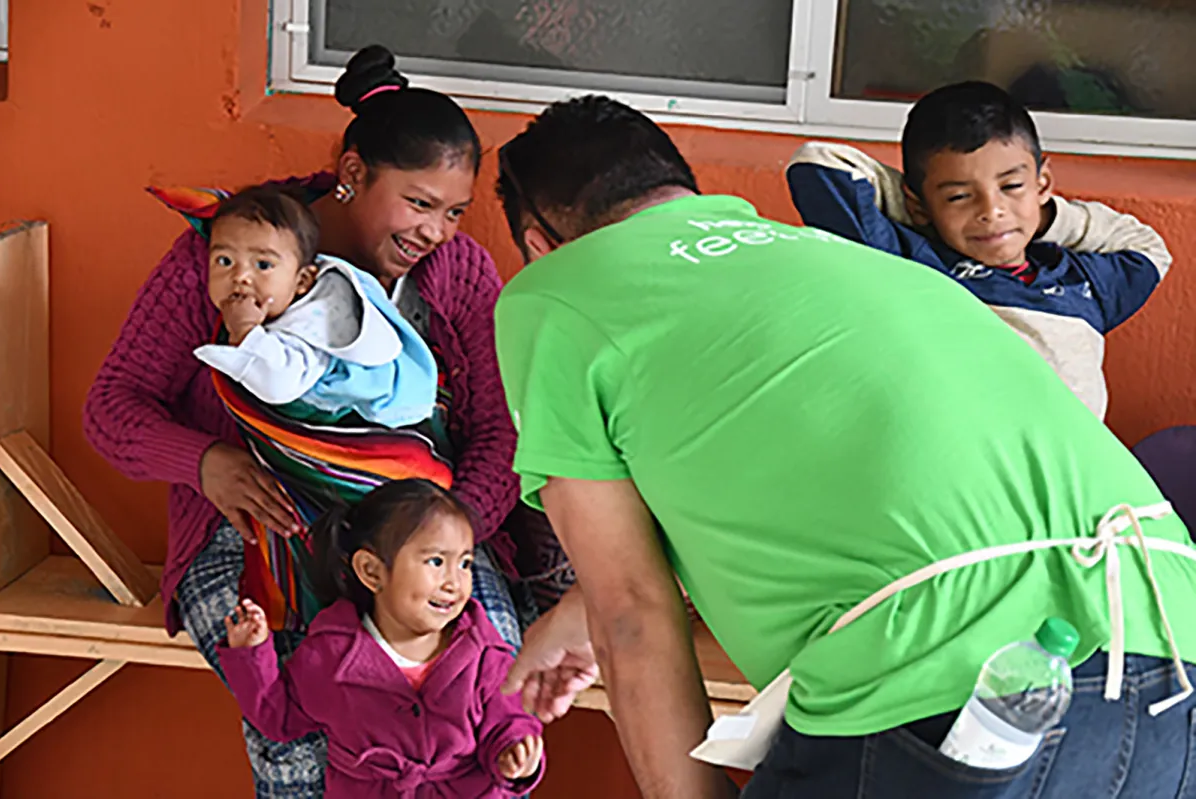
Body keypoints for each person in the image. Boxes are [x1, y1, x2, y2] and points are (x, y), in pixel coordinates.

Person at [491, 95, 1196, 798]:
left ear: (538, 245)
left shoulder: (553, 294)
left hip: (951, 696)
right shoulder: (844, 258)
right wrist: (576, 617)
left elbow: (633, 612)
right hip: (1170, 647)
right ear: (684, 192)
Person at [83, 44, 523, 796]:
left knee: (486, 711)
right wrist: (205, 464)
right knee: (309, 735)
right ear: (353, 174)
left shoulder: (456, 274)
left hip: (427, 540)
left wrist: (452, 533)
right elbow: (113, 407)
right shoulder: (233, 254)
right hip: (260, 533)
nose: (437, 231)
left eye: (452, 211)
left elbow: (500, 435)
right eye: (419, 204)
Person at [786, 81, 1171, 420]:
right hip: (966, 471)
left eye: (1011, 186)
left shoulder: (1080, 281)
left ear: (1042, 183)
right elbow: (820, 165)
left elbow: (1150, 250)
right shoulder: (918, 261)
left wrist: (1043, 217)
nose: (991, 212)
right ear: (918, 205)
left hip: (1073, 478)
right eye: (959, 196)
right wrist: (924, 216)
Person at [220, 479, 545, 798]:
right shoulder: (331, 654)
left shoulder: (484, 650)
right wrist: (252, 654)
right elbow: (280, 717)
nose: (454, 582)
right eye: (436, 561)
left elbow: (510, 720)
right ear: (372, 571)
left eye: (465, 563)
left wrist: (516, 753)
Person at [193, 185, 438, 428]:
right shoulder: (270, 297)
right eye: (224, 261)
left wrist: (245, 331)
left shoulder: (316, 320)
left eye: (263, 265)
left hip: (376, 423)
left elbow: (278, 385)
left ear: (302, 281)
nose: (241, 276)